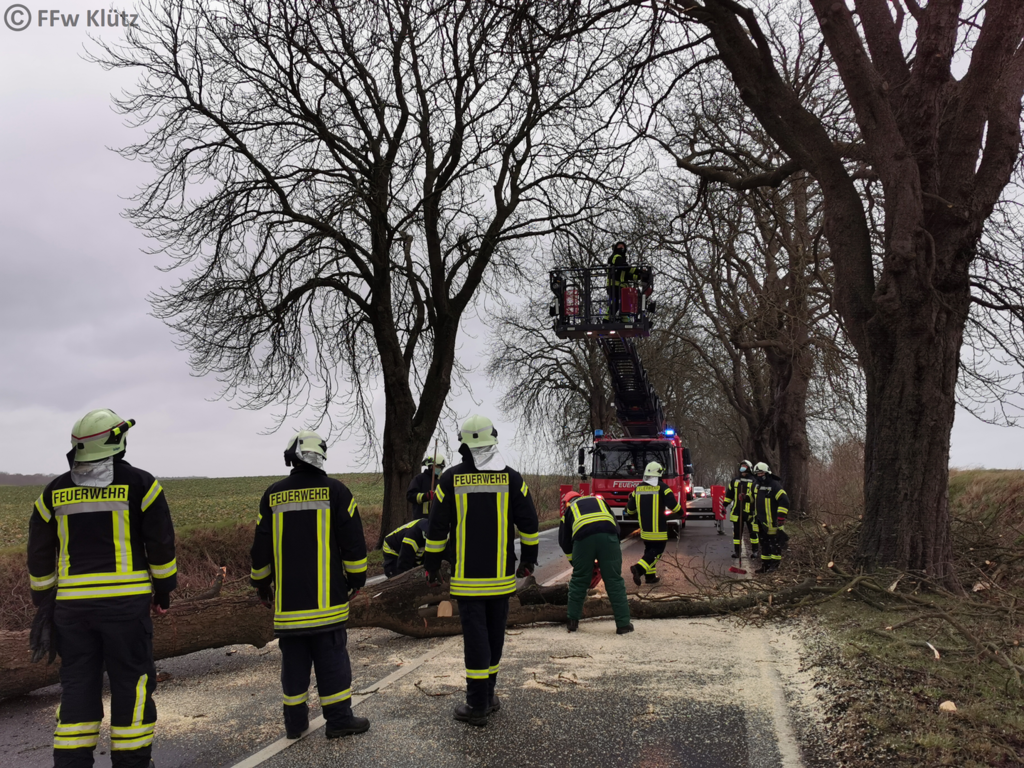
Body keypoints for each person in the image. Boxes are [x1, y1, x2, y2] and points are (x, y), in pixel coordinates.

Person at [27, 409, 177, 768]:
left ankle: (71, 762)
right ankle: (133, 762)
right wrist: (163, 592)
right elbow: (160, 546)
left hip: (72, 612)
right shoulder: (142, 484)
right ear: (116, 441)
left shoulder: (53, 492)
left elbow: (39, 554)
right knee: (132, 683)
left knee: (77, 684)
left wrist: (44, 601)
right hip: (125, 608)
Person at [250, 431, 370, 740]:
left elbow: (260, 548)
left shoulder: (272, 495)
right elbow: (353, 543)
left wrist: (261, 584)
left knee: (293, 666)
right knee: (332, 662)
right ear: (321, 457)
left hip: (289, 608)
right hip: (328, 605)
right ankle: (339, 720)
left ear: (292, 457)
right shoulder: (338, 492)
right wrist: (356, 579)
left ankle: (295, 723)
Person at [423, 415, 539, 727]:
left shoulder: (450, 479)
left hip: (468, 579)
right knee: (495, 635)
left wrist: (431, 567)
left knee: (476, 639)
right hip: (501, 578)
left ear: (463, 443)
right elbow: (529, 524)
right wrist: (528, 559)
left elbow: (436, 530)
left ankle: (477, 705)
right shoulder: (512, 479)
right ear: (493, 439)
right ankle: (487, 695)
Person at [558, 491, 633, 634]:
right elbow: (616, 527)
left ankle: (572, 622)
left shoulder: (569, 510)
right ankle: (623, 624)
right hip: (609, 536)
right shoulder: (600, 502)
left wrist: (576, 563)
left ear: (567, 502)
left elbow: (565, 542)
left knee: (579, 580)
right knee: (614, 580)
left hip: (583, 538)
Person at [626, 461, 682, 586]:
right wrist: (681, 512)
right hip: (658, 529)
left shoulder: (638, 489)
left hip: (645, 529)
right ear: (659, 474)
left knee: (649, 551)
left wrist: (634, 515)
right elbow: (673, 505)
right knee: (657, 551)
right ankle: (639, 568)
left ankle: (650, 577)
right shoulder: (663, 487)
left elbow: (629, 510)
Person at [751, 461, 789, 574]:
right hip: (760, 521)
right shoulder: (756, 485)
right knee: (764, 544)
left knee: (774, 545)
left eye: (761, 473)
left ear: (767, 473)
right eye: (758, 474)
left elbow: (784, 501)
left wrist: (781, 517)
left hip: (772, 522)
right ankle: (765, 566)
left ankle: (774, 566)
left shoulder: (775, 486)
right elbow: (751, 497)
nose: (759, 475)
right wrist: (744, 497)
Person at [723, 460, 759, 560]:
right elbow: (729, 495)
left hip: (751, 512)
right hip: (737, 511)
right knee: (737, 533)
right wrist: (724, 505)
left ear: (749, 468)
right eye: (741, 466)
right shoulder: (735, 481)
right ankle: (737, 552)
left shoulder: (754, 481)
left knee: (753, 533)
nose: (742, 469)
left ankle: (755, 551)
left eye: (745, 466)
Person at [605, 240, 641, 320]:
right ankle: (606, 319)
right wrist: (639, 271)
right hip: (614, 286)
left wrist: (639, 276)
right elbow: (626, 268)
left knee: (625, 304)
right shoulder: (615, 257)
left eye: (623, 246)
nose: (621, 247)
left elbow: (627, 275)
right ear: (616, 248)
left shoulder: (622, 261)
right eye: (619, 246)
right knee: (615, 303)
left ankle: (625, 319)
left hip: (621, 287)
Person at [406, 451, 445, 519]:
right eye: (438, 466)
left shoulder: (441, 481)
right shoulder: (419, 479)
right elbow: (410, 495)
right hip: (421, 519)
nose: (440, 469)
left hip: (436, 519)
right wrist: (426, 496)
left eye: (441, 467)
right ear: (431, 466)